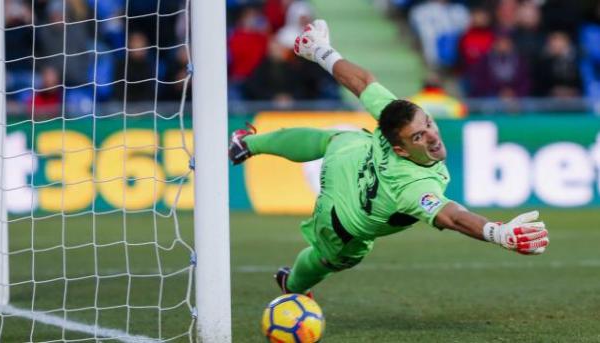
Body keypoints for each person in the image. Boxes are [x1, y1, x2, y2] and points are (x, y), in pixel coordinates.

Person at [228, 20, 550, 295]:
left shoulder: (394, 115)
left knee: (337, 138)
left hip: (348, 161)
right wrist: (498, 233)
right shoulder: (413, 186)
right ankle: (292, 287)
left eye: (428, 123)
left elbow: (363, 82)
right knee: (329, 259)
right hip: (342, 219)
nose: (432, 135)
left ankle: (248, 144)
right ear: (400, 149)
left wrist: (322, 52)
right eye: (418, 137)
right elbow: (450, 216)